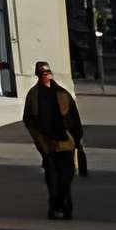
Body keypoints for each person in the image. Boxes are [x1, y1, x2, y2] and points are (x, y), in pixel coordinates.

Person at [22, 59, 86, 218]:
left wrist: (78, 139)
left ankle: (63, 205)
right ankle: (56, 207)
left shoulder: (62, 94)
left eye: (47, 73)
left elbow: (74, 118)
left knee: (67, 175)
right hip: (47, 144)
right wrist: (38, 139)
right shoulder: (33, 95)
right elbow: (28, 120)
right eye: (42, 74)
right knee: (52, 177)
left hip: (66, 142)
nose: (45, 76)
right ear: (38, 76)